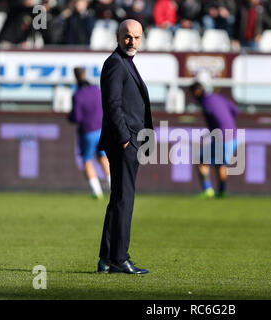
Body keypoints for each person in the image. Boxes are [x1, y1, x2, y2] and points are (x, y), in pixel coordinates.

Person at [97, 19, 153, 274]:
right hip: (124, 142)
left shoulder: (124, 63)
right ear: (118, 36)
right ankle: (120, 258)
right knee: (124, 201)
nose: (132, 42)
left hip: (129, 140)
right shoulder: (115, 64)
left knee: (118, 199)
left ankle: (107, 259)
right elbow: (112, 105)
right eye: (127, 36)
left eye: (137, 37)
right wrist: (125, 139)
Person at [189, 82, 238, 199]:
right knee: (220, 163)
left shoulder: (206, 103)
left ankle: (207, 190)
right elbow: (235, 110)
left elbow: (214, 119)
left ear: (196, 92)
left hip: (222, 138)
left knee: (200, 160)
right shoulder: (217, 97)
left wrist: (211, 133)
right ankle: (222, 191)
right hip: (234, 136)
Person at [68, 67, 110, 200]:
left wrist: (69, 117)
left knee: (86, 159)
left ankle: (96, 191)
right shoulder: (97, 90)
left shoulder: (77, 95)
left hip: (87, 132)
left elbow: (77, 117)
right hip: (101, 129)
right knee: (103, 157)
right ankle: (113, 187)